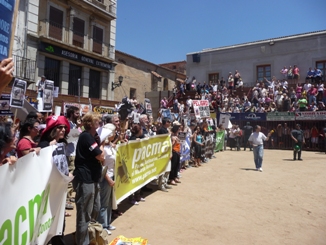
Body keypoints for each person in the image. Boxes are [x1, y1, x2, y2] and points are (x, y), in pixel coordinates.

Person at [38, 115, 71, 245]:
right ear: (53, 129)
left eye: (64, 128)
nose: (63, 130)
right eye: (59, 128)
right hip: (48, 193)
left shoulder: (62, 144)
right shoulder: (44, 145)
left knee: (60, 224)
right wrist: (47, 149)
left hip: (59, 191)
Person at [73, 113, 105, 245]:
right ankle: (82, 242)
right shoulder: (86, 136)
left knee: (95, 208)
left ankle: (90, 237)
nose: (99, 122)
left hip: (93, 178)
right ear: (90, 123)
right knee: (84, 213)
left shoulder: (93, 137)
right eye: (96, 120)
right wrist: (102, 147)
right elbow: (100, 156)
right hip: (85, 179)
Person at [97, 123, 117, 235]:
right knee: (103, 202)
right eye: (113, 132)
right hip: (105, 177)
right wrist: (108, 178)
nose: (115, 134)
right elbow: (101, 166)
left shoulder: (110, 145)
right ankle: (102, 225)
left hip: (112, 175)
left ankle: (107, 222)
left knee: (109, 201)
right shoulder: (102, 147)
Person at [156, 117, 172, 192]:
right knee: (163, 169)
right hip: (163, 152)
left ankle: (165, 182)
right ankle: (161, 184)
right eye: (169, 122)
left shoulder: (166, 130)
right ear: (166, 122)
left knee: (167, 169)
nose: (170, 123)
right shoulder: (162, 130)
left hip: (167, 151)